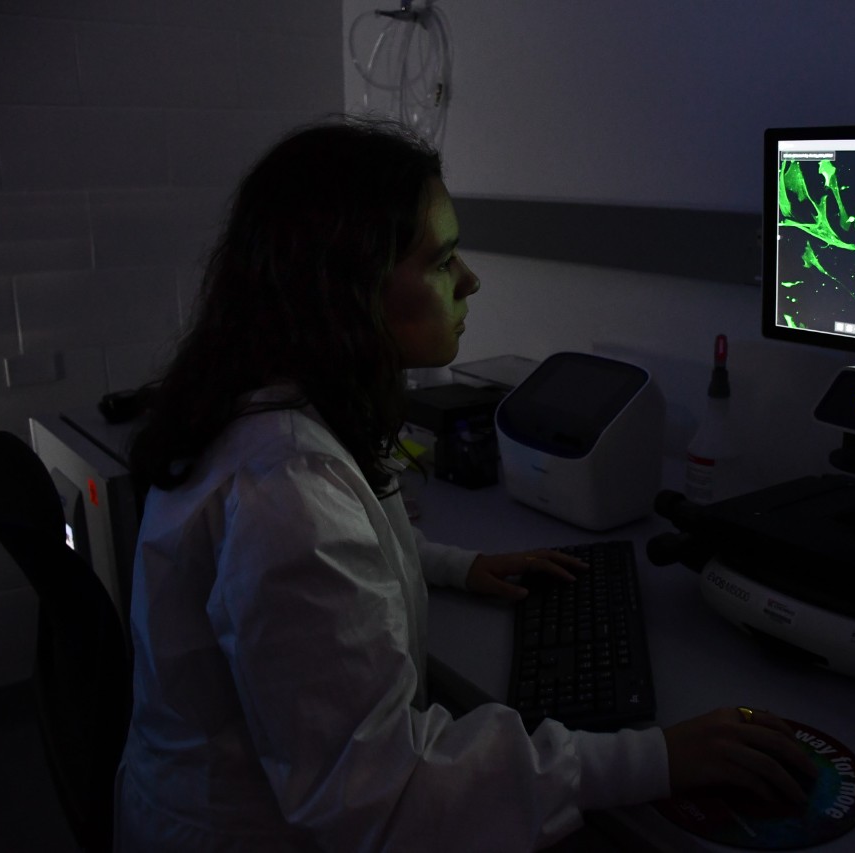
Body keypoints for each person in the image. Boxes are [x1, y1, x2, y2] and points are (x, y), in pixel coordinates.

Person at [115, 116, 811, 851]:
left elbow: (346, 547)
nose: (470, 279)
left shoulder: (266, 402)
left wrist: (457, 565)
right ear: (348, 287)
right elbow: (387, 797)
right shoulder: (286, 486)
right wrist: (655, 758)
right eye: (443, 259)